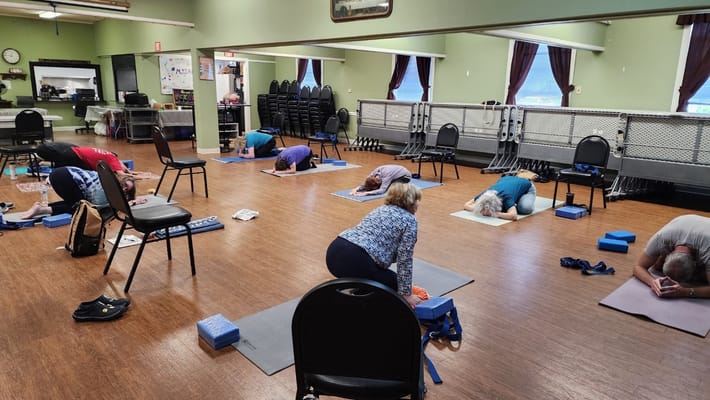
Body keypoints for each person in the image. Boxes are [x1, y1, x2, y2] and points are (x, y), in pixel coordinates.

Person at [326, 182, 425, 307]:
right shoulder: (410, 220)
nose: (418, 203)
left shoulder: (380, 209)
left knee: (377, 275)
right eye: (417, 200)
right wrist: (406, 294)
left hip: (334, 252)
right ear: (410, 201)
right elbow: (405, 259)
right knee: (394, 284)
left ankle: (358, 286)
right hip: (356, 259)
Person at [632, 214, 710, 299]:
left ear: (695, 263)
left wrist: (686, 292)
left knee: (702, 279)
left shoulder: (707, 251)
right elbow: (638, 266)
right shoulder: (661, 239)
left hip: (704, 234)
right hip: (684, 222)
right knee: (657, 266)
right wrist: (652, 282)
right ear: (668, 254)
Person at [20, 166, 141, 219]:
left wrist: (130, 201)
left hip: (62, 174)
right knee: (80, 208)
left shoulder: (109, 178)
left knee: (73, 202)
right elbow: (96, 206)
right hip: (66, 178)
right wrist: (128, 204)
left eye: (127, 190)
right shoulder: (106, 188)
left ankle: (41, 207)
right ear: (121, 181)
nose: (124, 189)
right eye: (125, 186)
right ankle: (42, 210)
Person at [35, 142, 136, 178]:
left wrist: (130, 172)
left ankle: (45, 161)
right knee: (87, 173)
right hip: (75, 155)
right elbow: (121, 175)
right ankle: (45, 162)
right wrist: (140, 176)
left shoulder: (110, 155)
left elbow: (123, 171)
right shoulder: (113, 161)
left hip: (75, 150)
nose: (122, 169)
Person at [463, 175, 536, 221]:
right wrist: (478, 209)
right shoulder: (485, 194)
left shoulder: (506, 197)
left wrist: (494, 214)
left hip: (528, 187)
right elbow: (466, 205)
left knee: (524, 209)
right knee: (507, 207)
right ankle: (515, 198)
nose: (484, 213)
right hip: (508, 179)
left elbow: (513, 216)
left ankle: (521, 196)